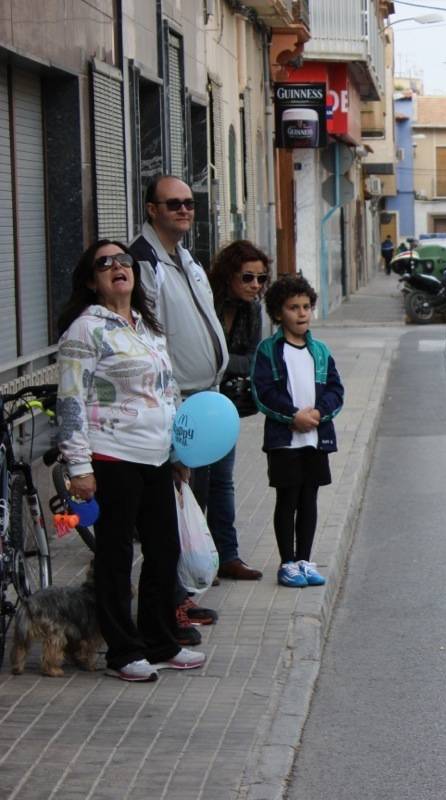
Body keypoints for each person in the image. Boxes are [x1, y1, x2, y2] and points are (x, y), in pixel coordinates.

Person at [56, 240, 207, 681]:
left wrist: (179, 451)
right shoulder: (86, 330)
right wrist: (79, 467)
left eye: (124, 260)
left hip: (157, 456)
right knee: (116, 556)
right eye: (105, 263)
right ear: (91, 280)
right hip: (111, 455)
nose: (118, 266)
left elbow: (168, 391)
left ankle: (161, 642)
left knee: (164, 549)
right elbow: (70, 402)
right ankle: (123, 652)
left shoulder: (146, 326)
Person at [129, 175, 226, 642]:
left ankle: (181, 596)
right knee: (168, 518)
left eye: (189, 203)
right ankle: (169, 608)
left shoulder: (186, 257)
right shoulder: (142, 261)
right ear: (152, 209)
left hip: (203, 400)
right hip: (174, 403)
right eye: (173, 204)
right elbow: (150, 339)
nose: (185, 210)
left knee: (192, 507)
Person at [252, 274, 345, 589]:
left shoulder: (319, 351)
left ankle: (305, 559)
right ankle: (287, 563)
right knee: (287, 499)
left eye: (306, 306)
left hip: (315, 439)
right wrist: (293, 416)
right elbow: (263, 392)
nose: (302, 313)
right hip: (285, 441)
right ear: (279, 313)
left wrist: (319, 413)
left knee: (309, 498)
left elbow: (335, 389)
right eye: (293, 307)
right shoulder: (268, 351)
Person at [207, 240, 270, 581]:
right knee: (193, 484)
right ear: (228, 274)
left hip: (225, 406)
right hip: (191, 401)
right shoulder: (205, 302)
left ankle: (227, 556)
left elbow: (253, 360)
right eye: (248, 277)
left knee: (222, 481)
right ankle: (195, 559)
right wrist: (227, 362)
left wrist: (218, 361)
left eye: (261, 278)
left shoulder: (252, 310)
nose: (255, 285)